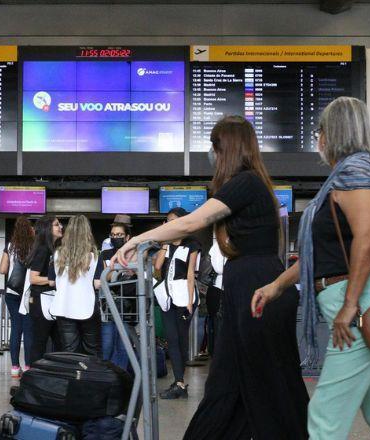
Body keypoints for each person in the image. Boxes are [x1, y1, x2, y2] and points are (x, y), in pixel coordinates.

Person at [112, 115, 309, 439]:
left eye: (214, 147)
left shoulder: (246, 183)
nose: (211, 155)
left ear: (227, 149)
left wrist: (137, 239)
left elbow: (190, 223)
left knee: (270, 385)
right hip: (247, 284)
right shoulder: (250, 185)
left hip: (256, 287)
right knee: (231, 383)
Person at [252, 97, 370, 439]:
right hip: (363, 299)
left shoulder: (356, 172)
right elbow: (323, 255)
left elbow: (369, 236)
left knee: (324, 414)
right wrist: (278, 285)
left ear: (333, 132)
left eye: (320, 130)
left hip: (360, 304)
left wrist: (348, 306)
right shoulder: (346, 175)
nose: (318, 138)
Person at [152, 207, 200, 399]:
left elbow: (190, 275)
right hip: (167, 297)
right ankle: (179, 382)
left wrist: (189, 302)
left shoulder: (193, 245)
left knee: (181, 340)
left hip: (184, 297)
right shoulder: (167, 245)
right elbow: (157, 266)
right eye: (168, 220)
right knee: (171, 339)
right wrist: (164, 243)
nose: (169, 223)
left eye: (173, 220)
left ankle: (180, 382)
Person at [48, 215, 101, 356]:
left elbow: (51, 282)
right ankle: (89, 377)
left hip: (63, 307)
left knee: (69, 351)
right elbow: (97, 284)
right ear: (87, 232)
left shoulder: (58, 254)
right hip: (87, 307)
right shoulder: (94, 256)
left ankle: (73, 378)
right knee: (92, 351)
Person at [96, 221, 136, 369]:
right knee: (106, 345)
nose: (116, 237)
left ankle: (122, 380)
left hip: (128, 307)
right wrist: (120, 273)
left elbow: (135, 276)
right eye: (113, 235)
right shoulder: (105, 254)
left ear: (127, 237)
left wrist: (111, 272)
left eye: (119, 234)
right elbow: (101, 277)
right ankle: (107, 379)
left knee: (123, 346)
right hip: (107, 307)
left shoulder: (133, 254)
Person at [0, 216, 35, 377]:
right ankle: (28, 366)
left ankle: (15, 367)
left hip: (12, 293)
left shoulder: (10, 246)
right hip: (28, 293)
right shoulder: (35, 246)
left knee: (16, 329)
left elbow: (2, 270)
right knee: (28, 330)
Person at [27, 216, 63, 364]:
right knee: (40, 341)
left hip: (49, 300)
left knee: (58, 341)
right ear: (48, 229)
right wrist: (52, 281)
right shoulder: (43, 249)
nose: (60, 227)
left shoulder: (54, 249)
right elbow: (33, 278)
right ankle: (34, 375)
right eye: (56, 225)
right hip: (41, 301)